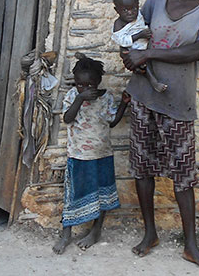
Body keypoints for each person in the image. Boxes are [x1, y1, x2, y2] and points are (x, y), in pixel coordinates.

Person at [121, 0, 199, 272]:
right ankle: (150, 233)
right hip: (143, 96)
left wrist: (148, 56)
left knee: (183, 175)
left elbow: (193, 52)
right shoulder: (154, 2)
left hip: (177, 102)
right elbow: (138, 37)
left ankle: (191, 246)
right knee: (142, 167)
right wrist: (131, 55)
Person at [52, 55, 128, 254]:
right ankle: (66, 233)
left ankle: (96, 231)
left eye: (90, 84)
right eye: (80, 85)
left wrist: (124, 104)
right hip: (78, 155)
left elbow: (112, 121)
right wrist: (79, 99)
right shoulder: (72, 96)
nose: (85, 89)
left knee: (102, 194)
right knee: (73, 194)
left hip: (102, 154)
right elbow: (68, 119)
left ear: (98, 82)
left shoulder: (106, 97)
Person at [111, 0, 167, 93]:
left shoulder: (139, 16)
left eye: (134, 8)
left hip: (144, 46)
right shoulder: (119, 24)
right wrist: (139, 35)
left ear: (138, 5)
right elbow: (120, 40)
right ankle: (154, 82)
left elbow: (142, 24)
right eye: (125, 10)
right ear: (116, 10)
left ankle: (140, 71)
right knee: (144, 67)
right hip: (132, 51)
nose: (130, 12)